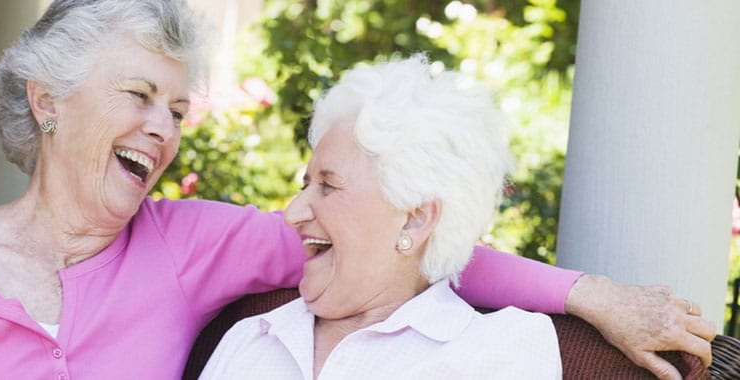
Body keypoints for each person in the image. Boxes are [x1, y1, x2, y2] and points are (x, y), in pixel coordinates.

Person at [0, 1, 715, 379]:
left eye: (178, 109)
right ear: (49, 102)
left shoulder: (187, 244)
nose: (165, 128)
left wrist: (593, 294)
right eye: (139, 96)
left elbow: (404, 244)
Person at [201, 56, 558, 379]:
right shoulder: (252, 337)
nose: (292, 213)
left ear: (415, 220)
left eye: (328, 186)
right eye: (306, 184)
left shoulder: (499, 350)